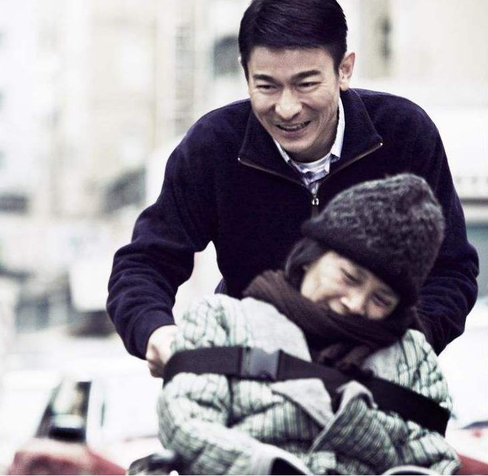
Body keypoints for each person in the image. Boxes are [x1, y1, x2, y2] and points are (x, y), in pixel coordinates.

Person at [107, 0, 479, 377]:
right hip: (250, 370)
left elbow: (452, 270)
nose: (286, 108)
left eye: (306, 84)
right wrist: (156, 332)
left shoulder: (404, 132)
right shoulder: (213, 145)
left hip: (379, 374)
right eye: (266, 86)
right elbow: (146, 262)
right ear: (245, 73)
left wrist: (407, 349)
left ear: (344, 70)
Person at [157, 174, 460, 475]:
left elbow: (432, 459)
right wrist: (268, 468)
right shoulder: (222, 320)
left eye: (381, 299)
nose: (356, 304)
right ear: (309, 257)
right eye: (349, 277)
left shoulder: (412, 358)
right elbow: (186, 423)